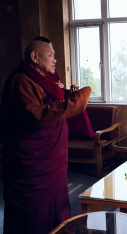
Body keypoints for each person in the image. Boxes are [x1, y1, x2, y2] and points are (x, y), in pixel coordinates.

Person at [1, 36, 91, 234]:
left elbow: (53, 100)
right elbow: (40, 115)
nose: (55, 59)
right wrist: (77, 101)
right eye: (50, 55)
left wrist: (69, 95)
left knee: (56, 204)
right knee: (34, 213)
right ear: (35, 57)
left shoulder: (45, 80)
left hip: (52, 164)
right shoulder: (21, 81)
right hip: (32, 165)